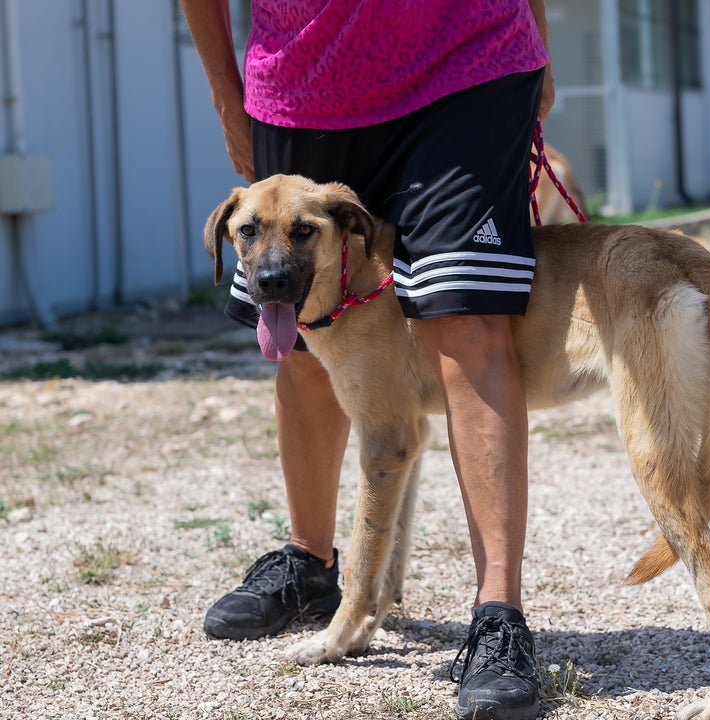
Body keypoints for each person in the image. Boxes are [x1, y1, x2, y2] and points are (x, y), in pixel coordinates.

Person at [179, 2, 553, 718]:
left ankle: (498, 614)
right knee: (306, 333)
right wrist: (228, 95)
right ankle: (310, 561)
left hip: (467, 59)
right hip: (301, 83)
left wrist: (535, 33)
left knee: (469, 316)